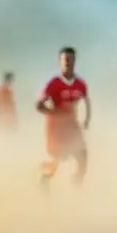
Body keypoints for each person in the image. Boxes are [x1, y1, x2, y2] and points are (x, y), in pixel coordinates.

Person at [36, 47, 90, 189]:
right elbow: (39, 105)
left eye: (70, 59)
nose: (67, 62)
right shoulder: (53, 83)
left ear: (74, 61)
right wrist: (56, 113)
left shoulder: (80, 84)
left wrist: (86, 120)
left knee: (83, 156)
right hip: (56, 130)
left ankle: (76, 184)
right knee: (57, 159)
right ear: (60, 62)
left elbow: (86, 101)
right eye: (64, 60)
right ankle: (44, 180)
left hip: (72, 127)